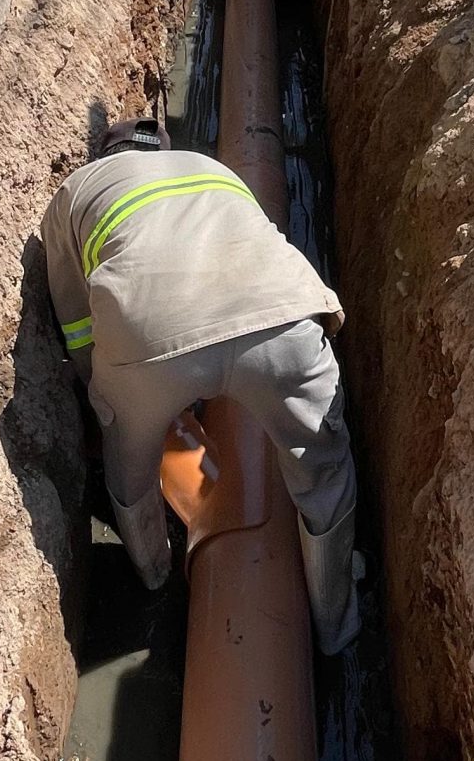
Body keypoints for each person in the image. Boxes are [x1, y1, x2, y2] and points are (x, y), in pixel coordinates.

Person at [41, 120, 359, 653]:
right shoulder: (210, 167)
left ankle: (154, 575)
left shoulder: (76, 192)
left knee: (131, 471)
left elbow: (77, 322)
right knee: (324, 470)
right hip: (282, 318)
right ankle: (336, 627)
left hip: (146, 340)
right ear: (164, 150)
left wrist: (106, 397)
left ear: (105, 157)